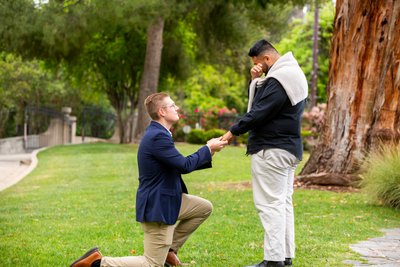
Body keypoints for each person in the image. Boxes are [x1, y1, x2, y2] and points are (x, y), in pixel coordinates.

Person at [70, 92, 228, 267]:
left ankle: (169, 250)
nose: (177, 108)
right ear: (161, 111)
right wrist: (206, 148)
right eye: (172, 105)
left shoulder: (160, 133)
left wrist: (209, 151)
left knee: (204, 208)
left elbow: (178, 165)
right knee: (152, 264)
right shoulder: (157, 137)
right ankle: (97, 263)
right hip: (158, 205)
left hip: (169, 199)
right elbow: (184, 165)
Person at [221, 39, 308, 267]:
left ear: (267, 59)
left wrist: (232, 132)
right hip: (289, 149)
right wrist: (255, 81)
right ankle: (285, 255)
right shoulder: (293, 73)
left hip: (271, 149)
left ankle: (273, 260)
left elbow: (258, 112)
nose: (257, 67)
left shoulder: (278, 79)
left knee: (270, 205)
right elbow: (266, 106)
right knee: (282, 203)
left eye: (258, 62)